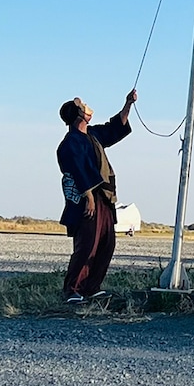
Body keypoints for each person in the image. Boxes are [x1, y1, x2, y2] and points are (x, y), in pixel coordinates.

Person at [56, 89, 137, 304]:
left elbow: (114, 128)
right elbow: (77, 170)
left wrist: (128, 103)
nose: (88, 108)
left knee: (106, 244)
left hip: (105, 198)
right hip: (87, 200)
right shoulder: (70, 143)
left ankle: (91, 288)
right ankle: (72, 289)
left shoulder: (92, 135)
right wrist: (89, 197)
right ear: (78, 115)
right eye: (83, 107)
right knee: (86, 245)